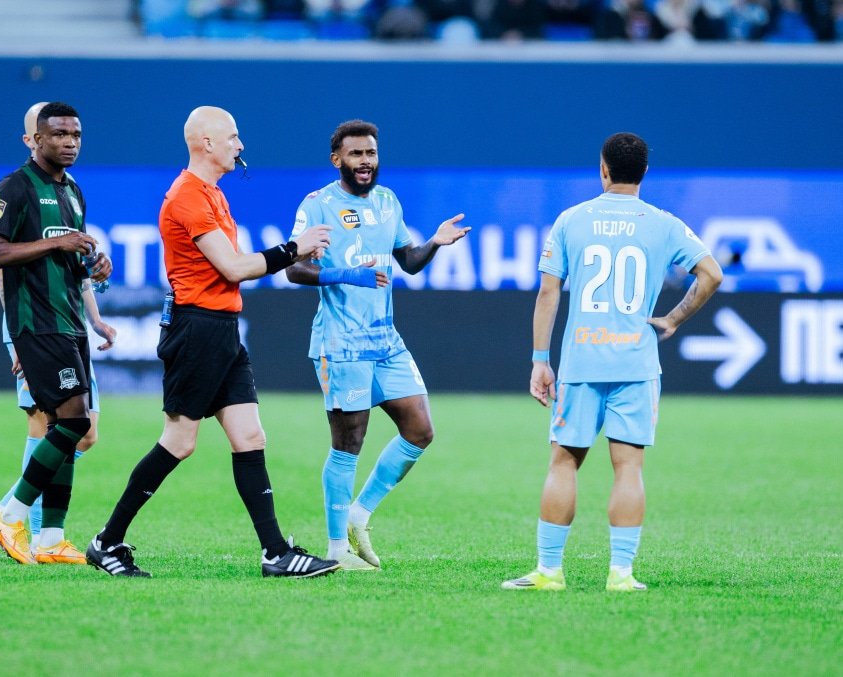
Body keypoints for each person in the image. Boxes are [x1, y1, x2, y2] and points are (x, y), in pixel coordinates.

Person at [85, 106, 339, 579]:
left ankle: (275, 553)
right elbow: (234, 268)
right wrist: (294, 249)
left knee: (250, 437)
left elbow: (236, 266)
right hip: (196, 331)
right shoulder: (187, 196)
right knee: (179, 442)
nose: (240, 145)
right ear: (206, 142)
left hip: (222, 329)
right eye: (233, 137)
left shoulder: (213, 194)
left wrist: (291, 251)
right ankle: (106, 542)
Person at [501, 132, 722, 593]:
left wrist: (540, 360)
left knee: (564, 462)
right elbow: (712, 274)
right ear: (644, 172)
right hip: (636, 364)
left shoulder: (572, 220)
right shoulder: (663, 223)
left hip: (582, 361)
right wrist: (674, 318)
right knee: (629, 467)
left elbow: (548, 292)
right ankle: (621, 574)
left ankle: (549, 571)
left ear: (603, 169)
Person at [285, 119, 471, 570]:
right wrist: (348, 274)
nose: (365, 161)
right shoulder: (318, 205)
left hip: (386, 340)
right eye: (356, 154)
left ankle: (359, 513)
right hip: (341, 342)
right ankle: (336, 550)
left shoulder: (388, 201)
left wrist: (435, 242)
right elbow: (293, 268)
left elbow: (408, 261)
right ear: (337, 159)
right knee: (349, 441)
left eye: (370, 153)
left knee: (420, 430)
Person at [0, 102, 117, 557]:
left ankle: (51, 538)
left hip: (69, 320)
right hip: (36, 321)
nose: (69, 143)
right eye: (58, 134)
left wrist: (94, 265)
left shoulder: (73, 191)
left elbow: (71, 259)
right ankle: (9, 514)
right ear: (36, 140)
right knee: (72, 421)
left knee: (70, 426)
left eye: (75, 135)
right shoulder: (16, 186)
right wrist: (57, 243)